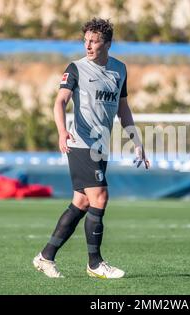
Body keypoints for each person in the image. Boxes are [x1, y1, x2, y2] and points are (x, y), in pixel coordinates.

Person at [33, 18, 149, 279]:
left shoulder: (120, 69)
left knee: (82, 202)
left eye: (94, 41)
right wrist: (62, 131)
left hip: (100, 146)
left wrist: (137, 141)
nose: (88, 45)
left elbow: (123, 109)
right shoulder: (75, 69)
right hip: (80, 142)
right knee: (100, 198)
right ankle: (95, 264)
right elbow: (60, 102)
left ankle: (45, 256)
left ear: (107, 43)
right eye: (85, 40)